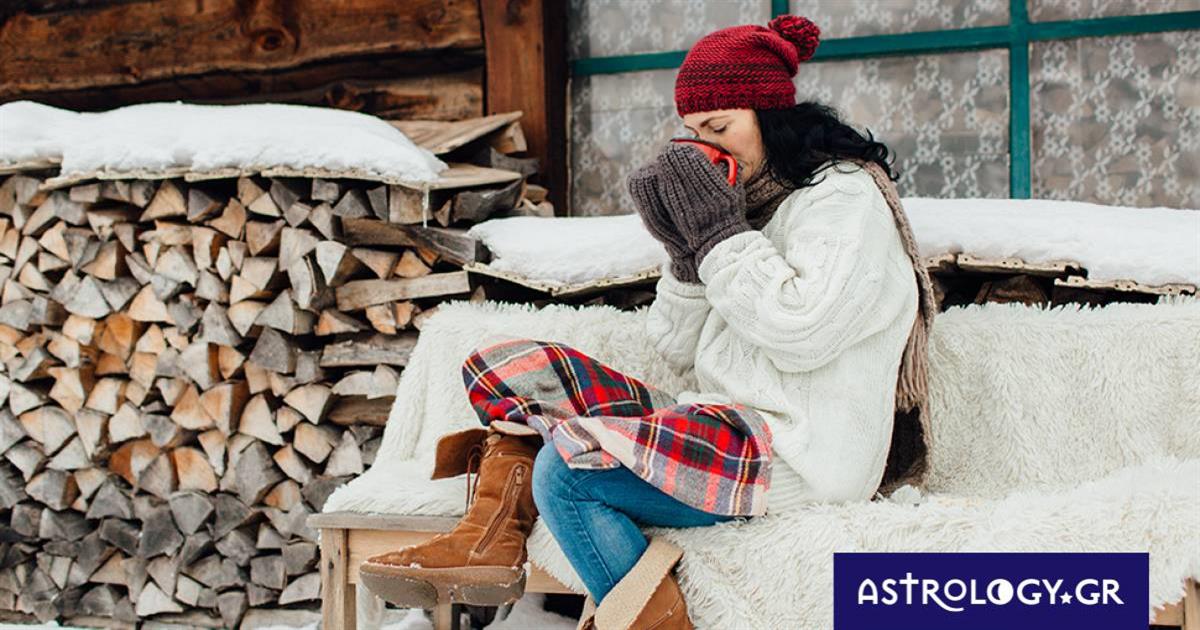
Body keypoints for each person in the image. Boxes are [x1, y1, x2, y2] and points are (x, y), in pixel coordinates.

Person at [358, 13, 937, 630]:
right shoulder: (746, 207)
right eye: (691, 131)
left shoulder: (843, 199)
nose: (705, 146)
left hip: (798, 452)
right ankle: (489, 541)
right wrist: (687, 255)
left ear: (774, 117)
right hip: (719, 419)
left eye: (720, 126)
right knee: (507, 370)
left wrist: (716, 234)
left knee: (568, 469)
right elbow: (675, 347)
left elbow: (803, 334)